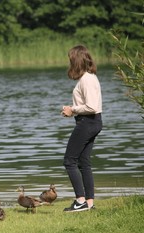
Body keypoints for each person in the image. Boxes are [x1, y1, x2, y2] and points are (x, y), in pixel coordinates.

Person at [61, 45, 102, 212]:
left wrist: (73, 109)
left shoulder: (87, 79)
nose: (70, 62)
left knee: (69, 161)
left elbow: (91, 107)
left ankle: (80, 200)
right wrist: (73, 111)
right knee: (84, 162)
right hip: (92, 122)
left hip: (87, 122)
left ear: (76, 61)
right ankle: (89, 203)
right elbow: (90, 105)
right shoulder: (90, 78)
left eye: (71, 60)